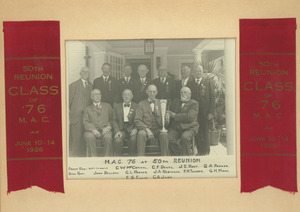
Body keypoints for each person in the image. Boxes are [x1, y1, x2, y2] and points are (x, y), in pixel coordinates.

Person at [134, 85, 169, 156]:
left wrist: (167, 119)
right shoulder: (141, 104)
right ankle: (140, 158)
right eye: (150, 91)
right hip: (145, 129)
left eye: (154, 92)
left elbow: (166, 123)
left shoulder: (161, 103)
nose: (152, 93)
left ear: (157, 92)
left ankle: (165, 159)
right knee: (141, 134)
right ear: (146, 92)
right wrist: (147, 129)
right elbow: (137, 120)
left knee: (164, 135)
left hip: (157, 129)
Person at [188, 65, 215, 155]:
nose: (198, 73)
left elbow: (212, 98)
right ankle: (199, 150)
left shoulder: (208, 82)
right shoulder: (190, 84)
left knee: (206, 131)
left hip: (206, 112)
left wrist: (211, 112)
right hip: (195, 113)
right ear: (193, 73)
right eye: (196, 71)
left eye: (200, 71)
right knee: (198, 131)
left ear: (203, 72)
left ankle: (206, 151)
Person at [167, 87, 199, 156]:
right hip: (176, 127)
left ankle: (185, 157)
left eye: (185, 92)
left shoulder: (194, 103)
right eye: (181, 92)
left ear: (190, 94)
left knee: (185, 137)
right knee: (168, 138)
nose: (183, 94)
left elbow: (189, 117)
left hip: (190, 128)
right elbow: (170, 113)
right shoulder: (175, 102)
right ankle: (180, 154)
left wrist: (175, 116)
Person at [69, 66, 93, 157]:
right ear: (80, 73)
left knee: (85, 137)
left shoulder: (90, 85)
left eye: (87, 72)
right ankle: (75, 158)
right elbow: (68, 102)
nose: (85, 73)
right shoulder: (73, 85)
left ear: (89, 74)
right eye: (83, 71)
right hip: (77, 116)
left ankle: (83, 157)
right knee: (76, 137)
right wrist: (75, 110)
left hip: (87, 116)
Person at [83, 89, 114, 157]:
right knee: (89, 136)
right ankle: (94, 159)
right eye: (95, 94)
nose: (97, 96)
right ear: (91, 97)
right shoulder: (87, 109)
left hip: (105, 129)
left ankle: (107, 159)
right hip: (91, 130)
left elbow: (112, 120)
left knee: (108, 137)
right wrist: (93, 130)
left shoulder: (107, 106)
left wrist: (108, 127)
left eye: (99, 94)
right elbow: (85, 122)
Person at [112, 89, 138, 156]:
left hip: (132, 129)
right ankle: (119, 160)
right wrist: (117, 131)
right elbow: (114, 120)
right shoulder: (117, 106)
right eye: (124, 94)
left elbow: (139, 120)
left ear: (132, 96)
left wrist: (136, 129)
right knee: (117, 140)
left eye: (128, 94)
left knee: (133, 139)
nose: (126, 96)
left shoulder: (136, 106)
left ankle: (131, 159)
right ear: (122, 96)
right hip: (121, 130)